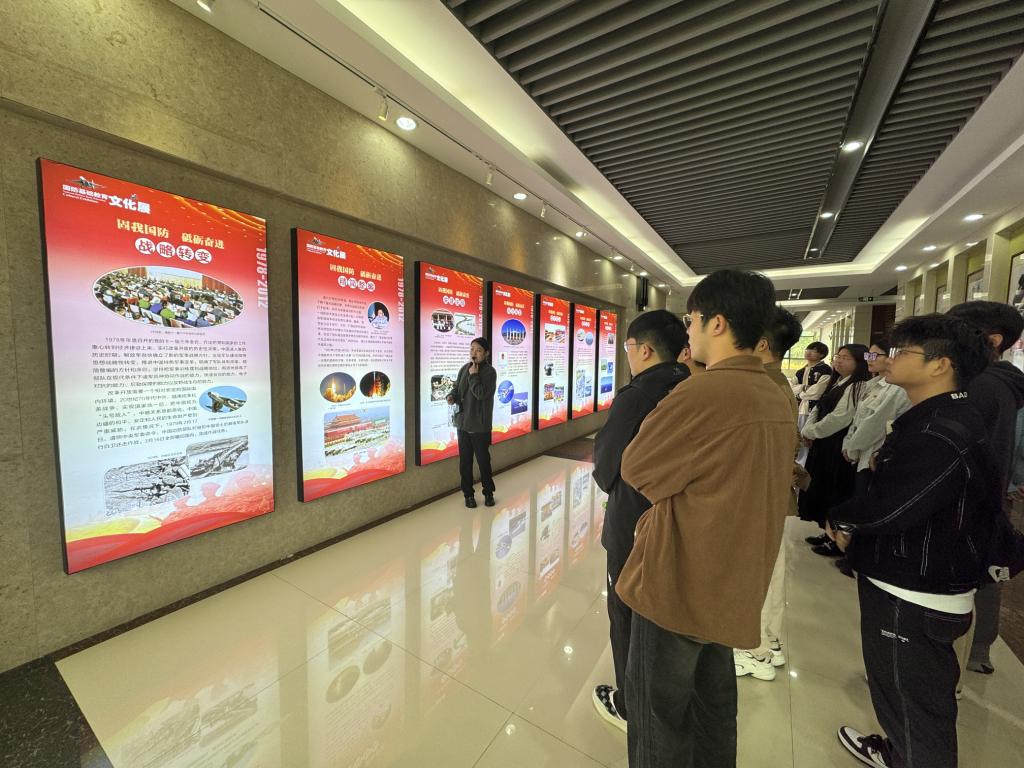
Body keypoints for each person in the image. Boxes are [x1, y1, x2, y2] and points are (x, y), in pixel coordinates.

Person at [616, 269, 796, 767]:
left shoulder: (704, 392)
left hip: (681, 581)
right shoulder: (773, 392)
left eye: (691, 320)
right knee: (713, 709)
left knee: (659, 716)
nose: (688, 332)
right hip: (732, 582)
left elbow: (637, 467)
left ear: (717, 323)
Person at [829, 314, 997, 768]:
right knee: (912, 698)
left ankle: (908, 755)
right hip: (920, 579)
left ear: (940, 365)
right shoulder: (944, 417)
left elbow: (892, 507)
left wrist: (842, 518)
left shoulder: (938, 431)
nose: (888, 360)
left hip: (913, 589)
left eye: (902, 352)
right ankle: (897, 752)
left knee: (914, 705)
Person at [591, 310, 690, 731]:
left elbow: (605, 467)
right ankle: (661, 696)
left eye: (628, 347)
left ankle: (630, 704)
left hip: (632, 521)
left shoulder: (637, 395)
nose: (627, 354)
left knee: (626, 610)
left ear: (645, 349)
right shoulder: (691, 386)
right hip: (676, 520)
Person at [733, 307, 802, 682]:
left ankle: (753, 648)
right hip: (769, 496)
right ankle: (766, 641)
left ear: (760, 343)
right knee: (767, 571)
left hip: (759, 499)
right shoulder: (775, 383)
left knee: (756, 573)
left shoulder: (762, 388)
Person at [830, 339, 911, 577]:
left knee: (866, 504)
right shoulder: (875, 384)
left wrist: (853, 448)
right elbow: (858, 420)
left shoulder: (896, 389)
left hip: (875, 455)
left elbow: (875, 425)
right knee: (859, 499)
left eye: (875, 356)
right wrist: (850, 445)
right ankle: (852, 553)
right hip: (861, 451)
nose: (870, 360)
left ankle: (858, 558)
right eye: (869, 355)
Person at [799, 344, 872, 554]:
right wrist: (808, 430)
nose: (839, 361)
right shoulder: (838, 381)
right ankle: (826, 531)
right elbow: (819, 407)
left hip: (836, 445)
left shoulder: (858, 386)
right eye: (838, 356)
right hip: (824, 443)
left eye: (846, 358)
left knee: (836, 490)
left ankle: (836, 539)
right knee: (823, 487)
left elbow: (840, 418)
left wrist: (811, 432)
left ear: (859, 362)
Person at [448, 337, 497, 509]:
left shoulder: (490, 372)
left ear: (486, 353)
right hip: (463, 424)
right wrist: (452, 396)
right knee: (465, 463)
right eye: (472, 349)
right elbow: (457, 388)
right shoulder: (465, 368)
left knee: (483, 462)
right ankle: (468, 494)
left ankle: (488, 493)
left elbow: (481, 394)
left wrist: (474, 376)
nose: (474, 353)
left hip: (480, 426)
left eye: (478, 350)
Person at [791, 341, 832, 416]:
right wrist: (803, 387)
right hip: (800, 409)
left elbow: (817, 391)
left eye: (814, 351)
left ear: (822, 355)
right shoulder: (800, 371)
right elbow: (790, 388)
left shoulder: (825, 369)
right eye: (807, 350)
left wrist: (799, 395)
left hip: (817, 410)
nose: (808, 353)